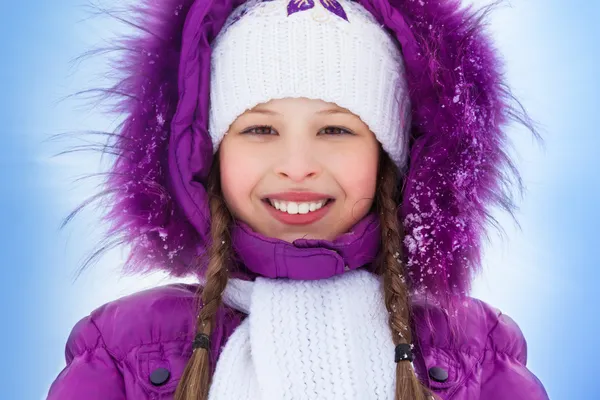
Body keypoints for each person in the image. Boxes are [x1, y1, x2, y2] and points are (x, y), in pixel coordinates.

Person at [47, 0, 549, 399]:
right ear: (212, 156)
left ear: (388, 157)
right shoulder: (126, 353)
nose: (297, 163)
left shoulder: (475, 356)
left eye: (335, 129)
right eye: (260, 129)